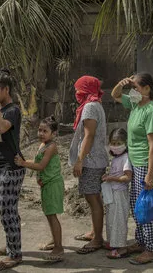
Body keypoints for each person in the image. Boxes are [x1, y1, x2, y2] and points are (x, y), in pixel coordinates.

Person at [110, 73, 153, 265]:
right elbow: (115, 95)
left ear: (147, 89)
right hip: (136, 161)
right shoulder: (135, 103)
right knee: (136, 204)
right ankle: (141, 242)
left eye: (137, 88)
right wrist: (122, 83)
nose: (134, 91)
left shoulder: (151, 111)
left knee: (146, 206)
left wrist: (150, 174)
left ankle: (151, 249)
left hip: (146, 164)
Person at [0, 70, 25, 270]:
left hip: (12, 166)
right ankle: (12, 244)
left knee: (8, 210)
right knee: (2, 209)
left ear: (5, 89)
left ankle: (15, 254)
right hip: (0, 166)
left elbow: (1, 128)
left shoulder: (12, 110)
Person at [14, 116, 64, 264]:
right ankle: (55, 241)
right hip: (47, 184)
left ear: (53, 134)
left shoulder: (51, 147)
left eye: (45, 131)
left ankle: (59, 248)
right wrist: (23, 162)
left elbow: (41, 166)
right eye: (40, 130)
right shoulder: (42, 144)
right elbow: (36, 163)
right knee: (49, 214)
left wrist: (23, 163)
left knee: (52, 215)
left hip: (53, 185)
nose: (41, 133)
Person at [69, 76, 109, 254]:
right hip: (95, 159)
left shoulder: (90, 107)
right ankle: (95, 232)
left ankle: (98, 239)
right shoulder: (94, 104)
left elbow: (89, 135)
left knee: (93, 199)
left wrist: (80, 160)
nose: (76, 93)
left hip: (91, 161)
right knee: (94, 198)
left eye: (78, 89)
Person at [102, 128, 132, 259]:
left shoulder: (125, 158)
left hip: (120, 194)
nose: (115, 146)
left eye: (118, 143)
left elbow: (127, 177)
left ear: (125, 143)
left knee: (119, 220)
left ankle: (122, 249)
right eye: (113, 143)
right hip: (113, 192)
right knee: (111, 220)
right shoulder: (116, 158)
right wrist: (108, 176)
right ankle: (114, 244)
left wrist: (112, 178)